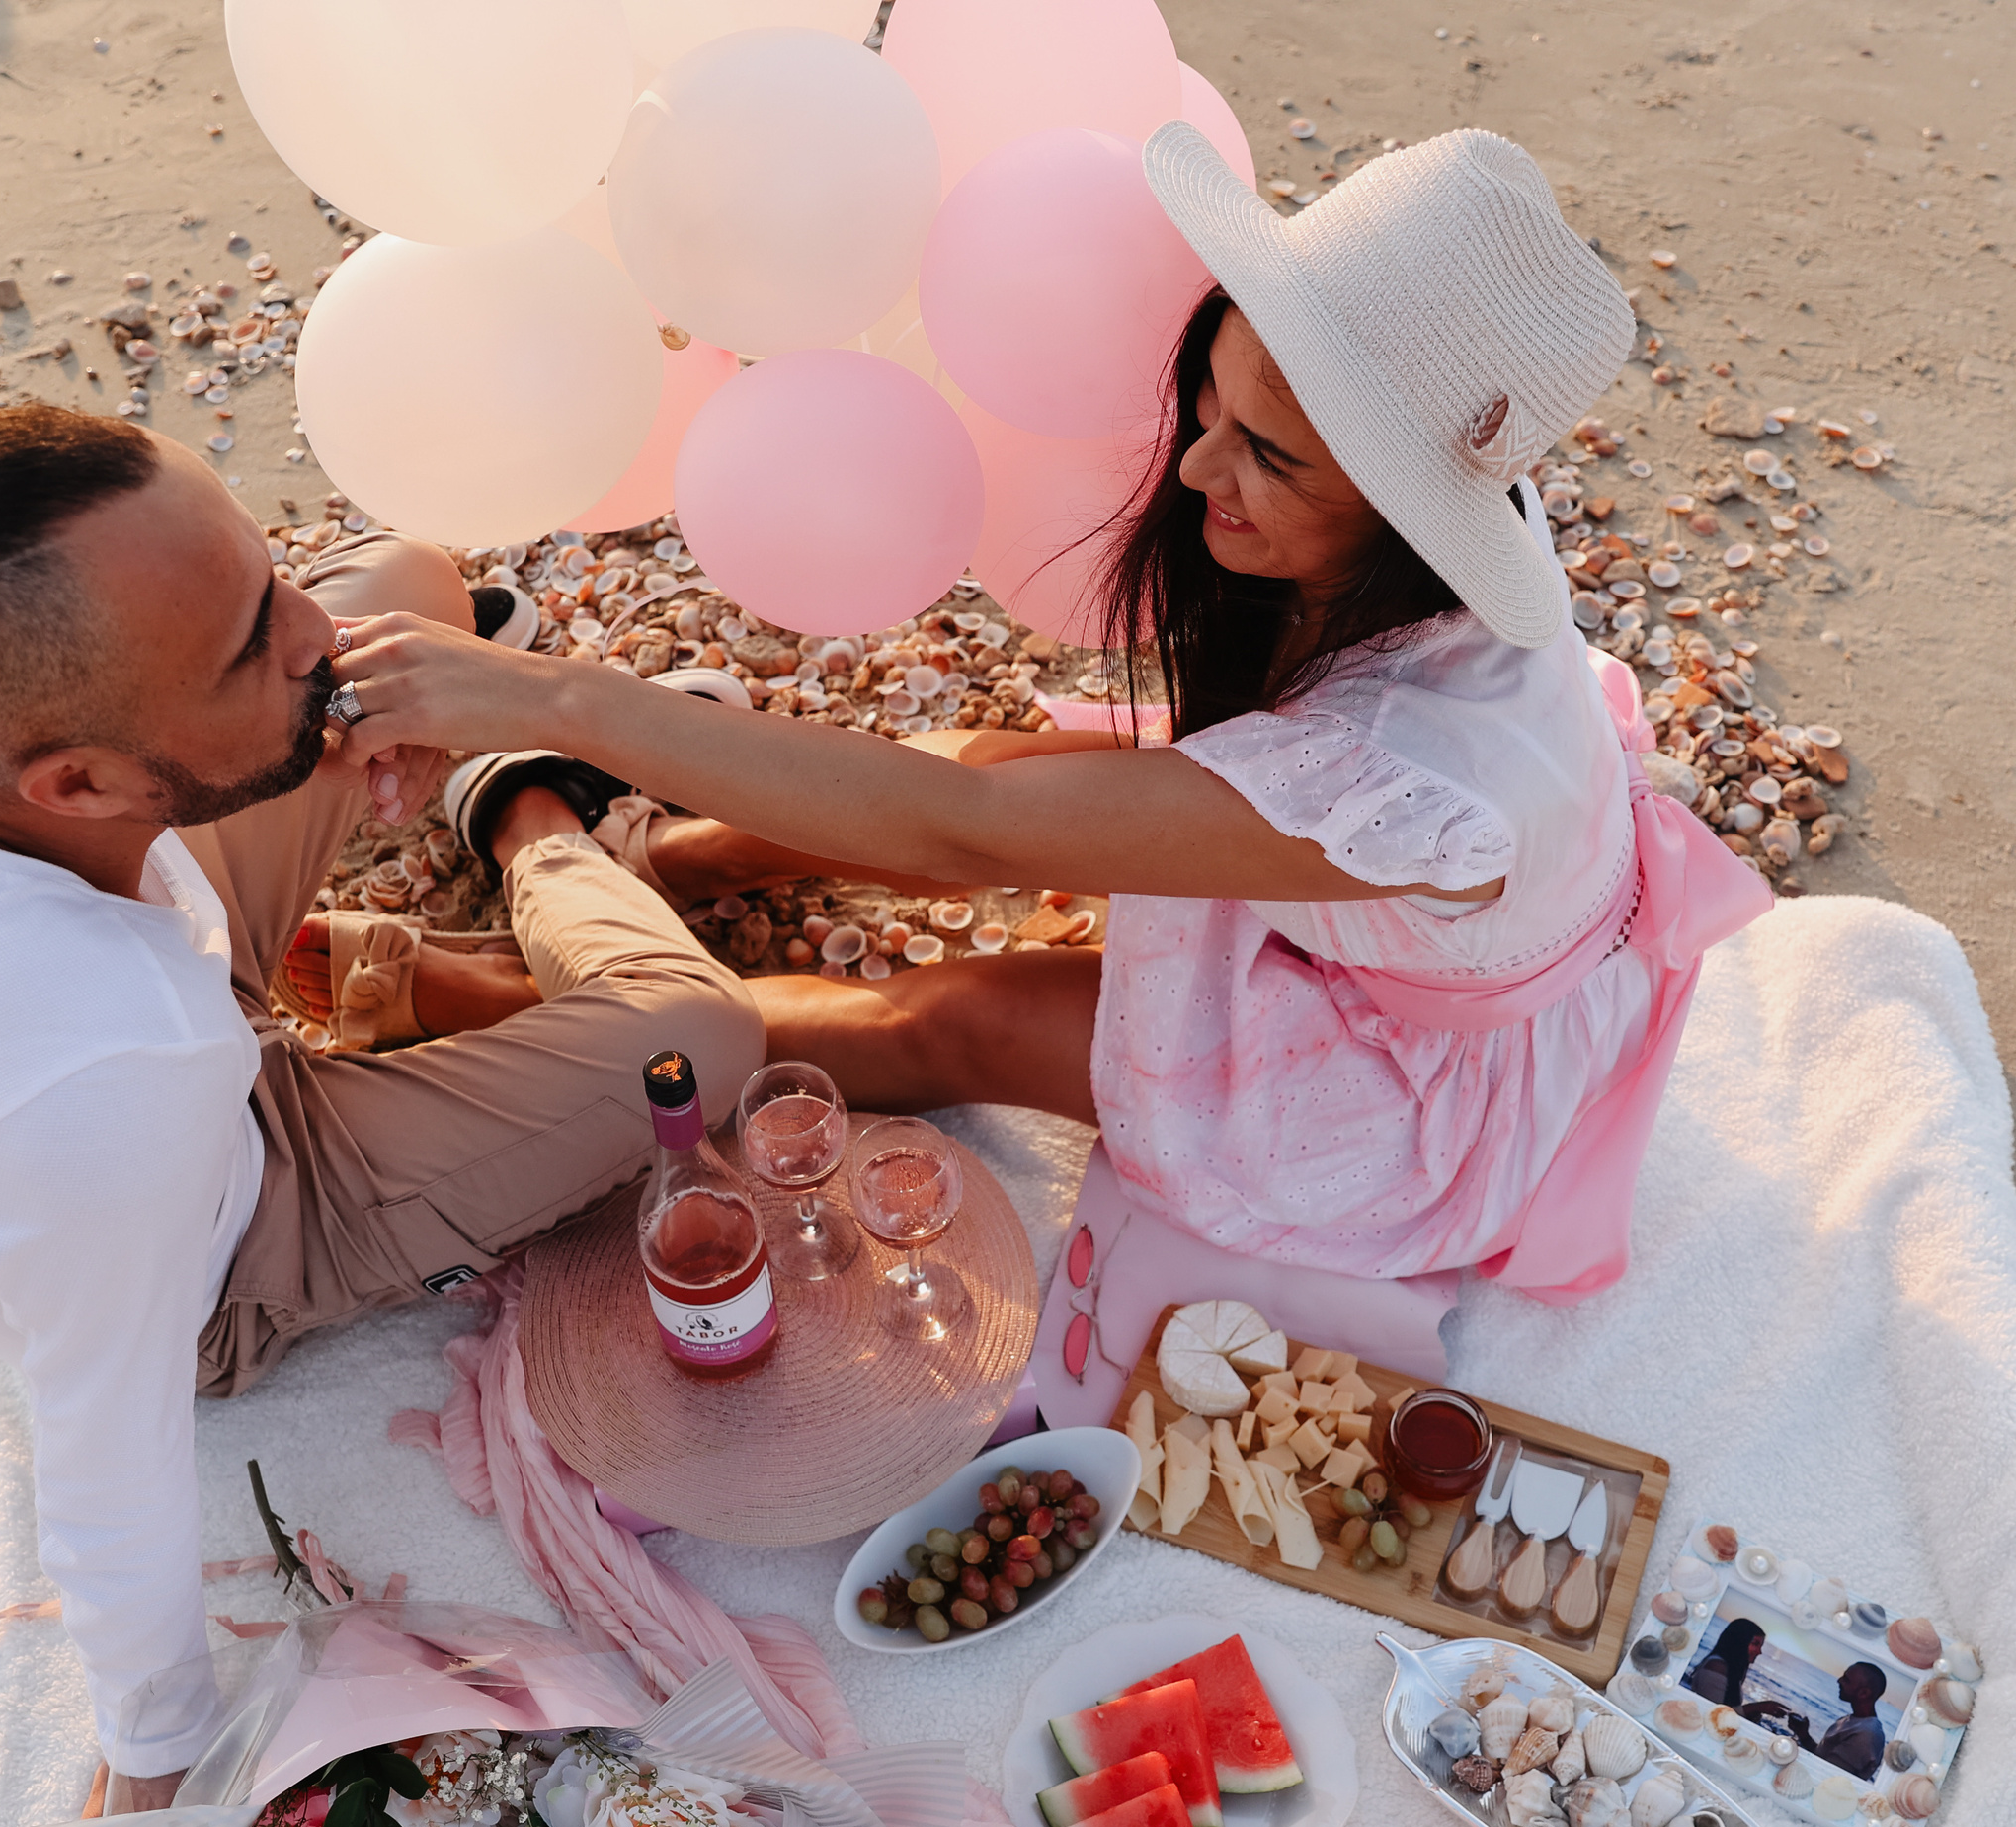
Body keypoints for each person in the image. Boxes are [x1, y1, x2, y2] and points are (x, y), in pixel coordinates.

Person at [316, 126, 1773, 1303]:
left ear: (1410, 516)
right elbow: (974, 795)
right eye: (1211, 405)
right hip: (1400, 909)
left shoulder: (1415, 774)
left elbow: (964, 835)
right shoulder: (1443, 510)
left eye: (1266, 455)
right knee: (979, 759)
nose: (1194, 471)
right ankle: (665, 860)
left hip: (1403, 1088)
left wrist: (551, 693)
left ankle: (463, 997)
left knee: (957, 1015)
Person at [0, 402, 761, 1827]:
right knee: (699, 1039)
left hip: (129, 977)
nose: (309, 637)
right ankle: (534, 818)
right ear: (79, 776)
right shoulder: (97, 1075)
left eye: (273, 574)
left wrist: (304, 690)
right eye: (246, 649)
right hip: (223, 1240)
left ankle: (364, 852)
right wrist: (151, 1751)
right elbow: (103, 1438)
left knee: (409, 581)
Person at [1817, 1664, 1891, 1779]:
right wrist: (1804, 1735)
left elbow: (1827, 1775)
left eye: (1846, 1680)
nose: (1839, 1681)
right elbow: (1823, 1759)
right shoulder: (1855, 1721)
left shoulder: (1865, 1735)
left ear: (1863, 1693)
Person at [1682, 1618, 1767, 1708]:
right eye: (1755, 1644)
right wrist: (1756, 1708)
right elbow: (1713, 1710)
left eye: (1760, 1646)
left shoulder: (1732, 1670)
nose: (1759, 1652)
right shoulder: (1716, 1667)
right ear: (1739, 1642)